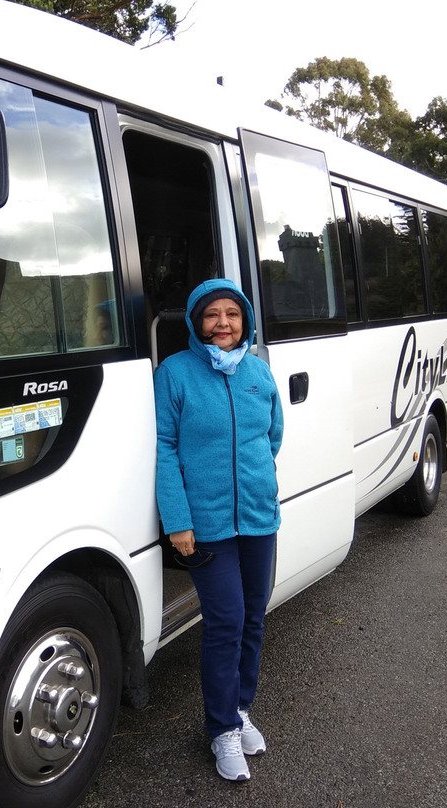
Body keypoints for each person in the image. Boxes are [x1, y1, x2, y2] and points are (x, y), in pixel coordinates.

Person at [153, 278, 283, 782]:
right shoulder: (175, 374)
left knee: (254, 617)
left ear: (244, 320)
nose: (223, 323)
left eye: (232, 313)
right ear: (195, 322)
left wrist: (258, 485)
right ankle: (221, 730)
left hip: (258, 517)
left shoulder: (258, 373)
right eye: (212, 315)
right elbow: (163, 448)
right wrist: (178, 520)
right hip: (205, 527)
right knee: (225, 621)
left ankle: (240, 709)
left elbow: (271, 437)